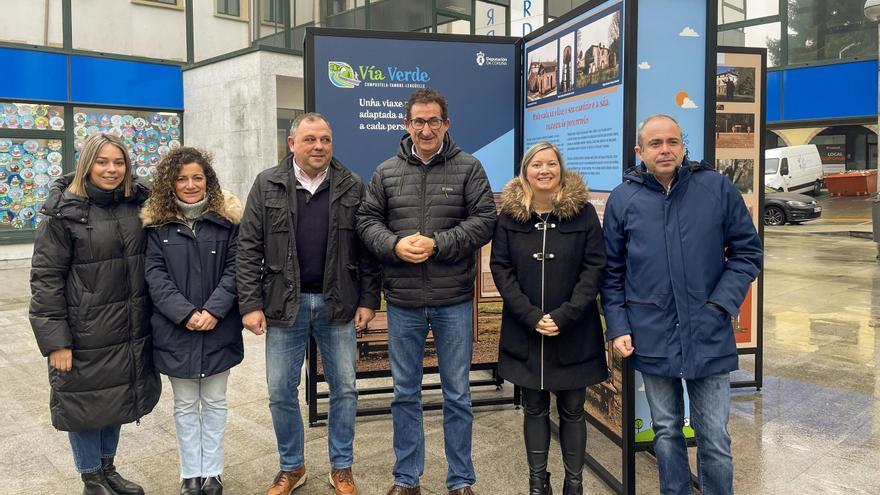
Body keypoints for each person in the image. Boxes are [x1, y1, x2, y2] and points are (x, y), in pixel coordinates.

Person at [601, 114, 762, 495]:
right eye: (655, 144)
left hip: (708, 331)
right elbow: (611, 272)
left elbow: (747, 253)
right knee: (667, 432)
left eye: (672, 141)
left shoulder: (716, 188)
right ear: (640, 151)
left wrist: (720, 306)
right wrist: (619, 326)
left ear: (683, 146)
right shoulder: (624, 198)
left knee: (715, 439)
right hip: (650, 333)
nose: (665, 149)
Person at [357, 88, 497, 495]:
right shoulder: (385, 172)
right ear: (406, 125)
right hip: (403, 302)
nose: (426, 128)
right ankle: (406, 478)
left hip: (454, 300)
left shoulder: (469, 168)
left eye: (434, 120)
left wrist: (438, 243)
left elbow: (485, 220)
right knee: (404, 394)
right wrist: (395, 245)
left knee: (457, 393)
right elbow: (367, 223)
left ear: (446, 124)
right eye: (418, 121)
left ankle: (460, 480)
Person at [237, 112, 380, 495]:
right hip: (285, 304)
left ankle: (342, 467)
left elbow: (367, 249)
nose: (319, 147)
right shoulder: (266, 183)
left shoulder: (352, 184)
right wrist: (250, 303)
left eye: (326, 140)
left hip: (339, 303)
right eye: (311, 140)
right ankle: (291, 466)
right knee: (281, 389)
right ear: (292, 143)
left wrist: (369, 299)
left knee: (345, 389)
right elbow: (247, 246)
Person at [29, 133, 161, 495]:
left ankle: (108, 470)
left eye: (118, 162)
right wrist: (56, 342)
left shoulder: (139, 203)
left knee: (115, 397)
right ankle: (91, 477)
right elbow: (45, 280)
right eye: (102, 161)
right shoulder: (64, 211)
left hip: (128, 325)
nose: (111, 169)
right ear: (87, 164)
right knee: (86, 402)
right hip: (84, 330)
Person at [490, 142, 607, 495]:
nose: (545, 170)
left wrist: (566, 315)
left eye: (551, 164)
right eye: (537, 164)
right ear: (526, 171)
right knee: (534, 407)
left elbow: (595, 266)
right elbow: (501, 267)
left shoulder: (583, 213)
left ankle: (575, 483)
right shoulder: (509, 217)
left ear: (561, 169)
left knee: (573, 408)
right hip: (526, 331)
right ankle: (537, 482)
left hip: (574, 329)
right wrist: (529, 315)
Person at [141, 147, 244, 495]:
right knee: (185, 406)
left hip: (219, 328)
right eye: (182, 178)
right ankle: (190, 474)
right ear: (170, 182)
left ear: (208, 180)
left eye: (197, 177)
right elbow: (154, 275)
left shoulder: (226, 221)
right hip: (175, 331)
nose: (190, 184)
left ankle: (212, 472)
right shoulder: (156, 225)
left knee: (215, 403)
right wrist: (185, 313)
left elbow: (236, 270)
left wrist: (214, 310)